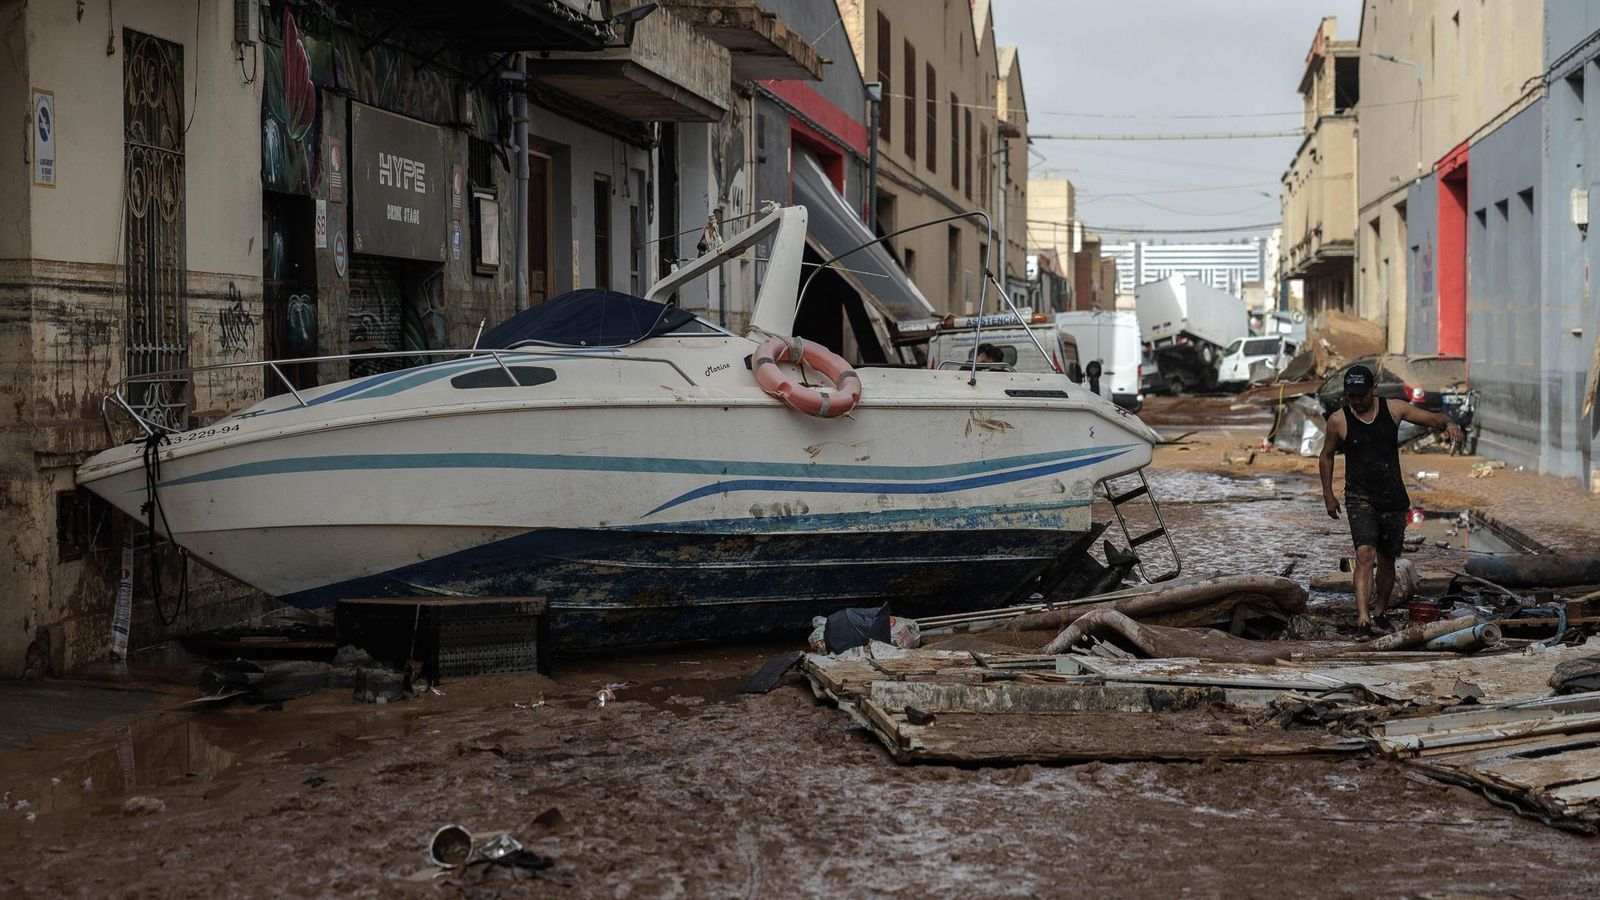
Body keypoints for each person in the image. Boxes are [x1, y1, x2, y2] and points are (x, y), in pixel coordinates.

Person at [1319, 364, 1463, 638]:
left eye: (1361, 395)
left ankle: (1380, 613)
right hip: (1360, 497)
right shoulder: (1338, 420)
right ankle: (1362, 619)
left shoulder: (1394, 409)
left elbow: (1433, 418)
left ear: (1374, 390)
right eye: (1351, 396)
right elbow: (1326, 455)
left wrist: (1449, 423)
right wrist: (1328, 493)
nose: (1357, 401)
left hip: (1393, 498)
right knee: (1364, 554)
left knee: (1387, 559)